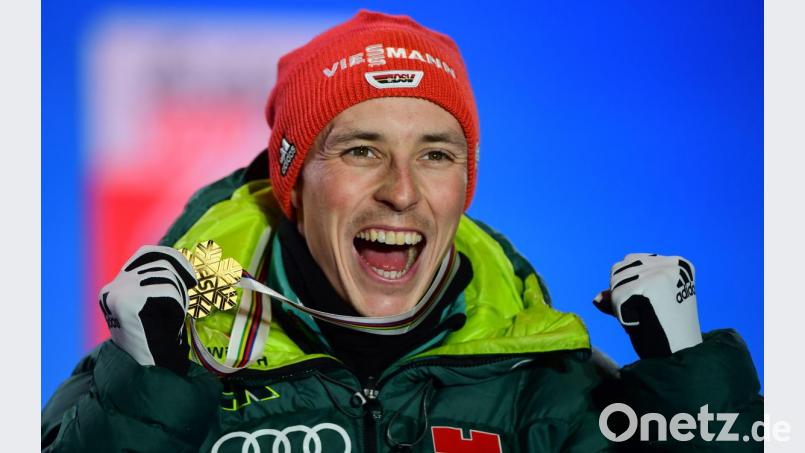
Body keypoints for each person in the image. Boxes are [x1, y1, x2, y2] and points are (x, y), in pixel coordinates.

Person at [42, 10, 762, 452]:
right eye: (360, 150)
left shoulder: (542, 385)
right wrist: (150, 388)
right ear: (293, 184)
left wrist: (690, 390)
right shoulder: (158, 374)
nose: (401, 190)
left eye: (436, 154)